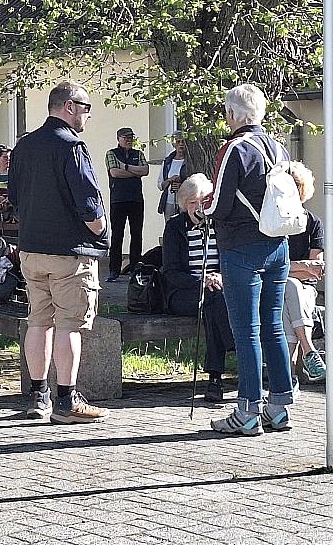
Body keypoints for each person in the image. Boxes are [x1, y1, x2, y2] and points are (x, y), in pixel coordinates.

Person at [8, 80, 110, 424]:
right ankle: (67, 400)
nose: (87, 114)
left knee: (38, 321)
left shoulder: (23, 147)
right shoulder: (72, 147)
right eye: (85, 107)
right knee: (69, 325)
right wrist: (102, 231)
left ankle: (38, 397)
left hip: (32, 250)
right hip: (70, 253)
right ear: (68, 106)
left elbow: (14, 198)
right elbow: (90, 204)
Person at [204, 83, 294, 436]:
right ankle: (280, 406)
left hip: (241, 247)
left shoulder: (234, 149)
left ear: (232, 115)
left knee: (246, 330)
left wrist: (203, 212)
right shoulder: (279, 147)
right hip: (278, 246)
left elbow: (220, 204)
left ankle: (247, 411)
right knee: (273, 326)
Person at [161, 174, 235, 403]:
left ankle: (215, 380)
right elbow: (171, 272)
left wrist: (219, 276)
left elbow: (230, 260)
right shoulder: (175, 227)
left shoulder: (219, 225)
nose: (197, 207)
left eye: (202, 202)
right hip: (182, 293)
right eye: (192, 202)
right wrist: (202, 280)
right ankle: (234, 351)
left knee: (214, 304)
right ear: (184, 204)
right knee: (215, 300)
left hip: (218, 290)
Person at [284, 161, 327, 381]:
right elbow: (271, 269)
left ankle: (287, 375)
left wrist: (288, 268)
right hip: (278, 287)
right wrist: (302, 266)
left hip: (304, 290)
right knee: (289, 287)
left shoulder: (314, 223)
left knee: (290, 292)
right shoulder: (275, 224)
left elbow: (315, 271)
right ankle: (309, 350)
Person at [104, 127, 150, 282]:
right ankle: (113, 270)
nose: (129, 140)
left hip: (136, 199)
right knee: (117, 235)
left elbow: (145, 170)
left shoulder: (138, 154)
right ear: (119, 138)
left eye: (131, 138)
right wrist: (133, 172)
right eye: (126, 138)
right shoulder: (111, 153)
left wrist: (125, 167)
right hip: (118, 199)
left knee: (136, 235)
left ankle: (135, 269)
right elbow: (114, 173)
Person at [157, 131, 188, 219]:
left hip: (185, 201)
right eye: (178, 142)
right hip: (169, 202)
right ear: (174, 144)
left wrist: (181, 185)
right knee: (170, 227)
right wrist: (170, 180)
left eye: (183, 141)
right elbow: (160, 185)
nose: (181, 144)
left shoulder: (190, 162)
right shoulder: (167, 161)